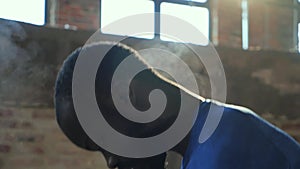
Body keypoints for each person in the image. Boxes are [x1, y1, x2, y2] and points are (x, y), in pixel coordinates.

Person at [55, 42, 300, 169]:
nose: (111, 162)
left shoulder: (220, 155)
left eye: (102, 141)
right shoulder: (219, 131)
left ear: (126, 94)